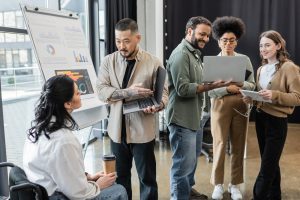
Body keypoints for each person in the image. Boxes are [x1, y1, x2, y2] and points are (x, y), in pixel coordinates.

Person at [23, 75, 128, 200]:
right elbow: (78, 194)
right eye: (78, 93)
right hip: (56, 196)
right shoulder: (64, 140)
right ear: (67, 103)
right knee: (118, 190)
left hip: (43, 189)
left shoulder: (38, 128)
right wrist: (98, 185)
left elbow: (58, 168)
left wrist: (88, 177)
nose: (81, 94)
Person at [96, 18, 168, 200]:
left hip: (143, 130)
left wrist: (158, 105)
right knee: (120, 179)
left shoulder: (153, 62)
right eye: (118, 41)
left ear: (138, 38)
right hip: (116, 131)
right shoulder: (107, 61)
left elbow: (164, 94)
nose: (121, 46)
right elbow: (102, 91)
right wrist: (127, 92)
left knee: (147, 179)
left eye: (126, 41)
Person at [165, 16, 230, 200]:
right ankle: (179, 196)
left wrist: (210, 81)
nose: (205, 39)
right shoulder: (181, 55)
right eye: (202, 34)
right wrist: (211, 86)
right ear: (189, 31)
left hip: (195, 118)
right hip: (182, 119)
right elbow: (183, 89)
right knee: (182, 166)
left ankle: (188, 191)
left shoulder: (194, 53)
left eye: (208, 36)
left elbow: (197, 82)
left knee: (191, 162)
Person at [243, 30, 300, 200]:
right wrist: (251, 99)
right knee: (271, 162)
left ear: (278, 46)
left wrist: (274, 95)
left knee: (267, 165)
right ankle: (275, 195)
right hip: (261, 118)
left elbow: (297, 97)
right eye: (261, 45)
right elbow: (262, 96)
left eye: (267, 45)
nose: (263, 49)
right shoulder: (261, 69)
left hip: (277, 122)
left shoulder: (289, 68)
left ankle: (258, 196)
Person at [208, 16, 255, 200]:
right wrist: (227, 88)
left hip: (241, 105)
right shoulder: (212, 62)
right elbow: (209, 91)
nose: (228, 43)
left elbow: (253, 85)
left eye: (232, 40)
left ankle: (235, 184)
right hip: (220, 106)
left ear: (237, 41)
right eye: (225, 40)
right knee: (219, 144)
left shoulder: (244, 59)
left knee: (238, 145)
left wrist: (242, 86)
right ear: (219, 41)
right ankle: (218, 184)